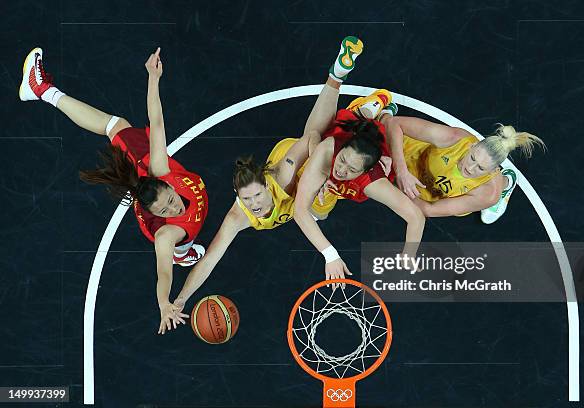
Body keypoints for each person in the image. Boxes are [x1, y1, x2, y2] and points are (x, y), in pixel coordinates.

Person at [19, 47, 208, 335]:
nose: (175, 208)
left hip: (140, 161)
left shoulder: (161, 169)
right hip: (169, 235)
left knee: (118, 125)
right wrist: (163, 303)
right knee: (112, 125)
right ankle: (41, 89)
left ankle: (183, 252)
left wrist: (153, 78)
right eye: (165, 210)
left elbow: (156, 120)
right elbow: (163, 273)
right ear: (154, 214)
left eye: (170, 201)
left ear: (168, 184)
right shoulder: (165, 233)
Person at [168, 37, 364, 313]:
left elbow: (311, 138)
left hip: (294, 163)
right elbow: (210, 259)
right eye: (247, 199)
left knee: (328, 171)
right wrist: (180, 301)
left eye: (257, 195)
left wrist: (322, 178)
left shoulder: (282, 176)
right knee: (319, 210)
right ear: (238, 196)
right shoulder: (239, 217)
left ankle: (352, 111)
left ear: (265, 186)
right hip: (290, 175)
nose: (254, 204)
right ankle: (342, 88)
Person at [293, 39, 426, 286]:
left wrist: (408, 258)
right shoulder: (329, 151)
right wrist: (330, 255)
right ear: (341, 149)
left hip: (371, 145)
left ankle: (377, 113)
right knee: (313, 132)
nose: (340, 169)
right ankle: (339, 76)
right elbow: (299, 211)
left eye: (351, 169)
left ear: (366, 172)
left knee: (369, 133)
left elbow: (416, 217)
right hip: (344, 133)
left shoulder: (372, 181)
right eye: (343, 161)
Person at [384, 116, 545, 221]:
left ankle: (507, 181)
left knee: (494, 195)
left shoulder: (486, 193)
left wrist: (395, 186)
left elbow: (428, 209)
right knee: (383, 123)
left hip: (429, 193)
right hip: (411, 159)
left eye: (480, 168)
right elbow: (395, 124)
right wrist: (401, 171)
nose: (470, 168)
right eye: (473, 158)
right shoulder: (454, 138)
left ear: (493, 170)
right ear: (471, 146)